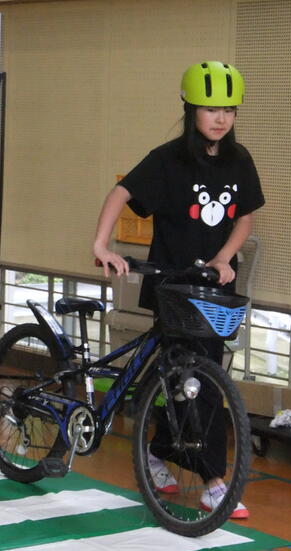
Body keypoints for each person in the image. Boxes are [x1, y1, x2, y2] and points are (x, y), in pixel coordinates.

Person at [93, 61, 264, 519]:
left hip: (214, 289)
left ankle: (161, 453)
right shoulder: (167, 159)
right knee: (188, 380)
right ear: (191, 110)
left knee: (197, 380)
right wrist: (100, 245)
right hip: (172, 286)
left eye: (228, 109)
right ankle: (213, 482)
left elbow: (244, 217)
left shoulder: (239, 160)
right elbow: (120, 194)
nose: (221, 118)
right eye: (211, 109)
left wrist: (224, 257)